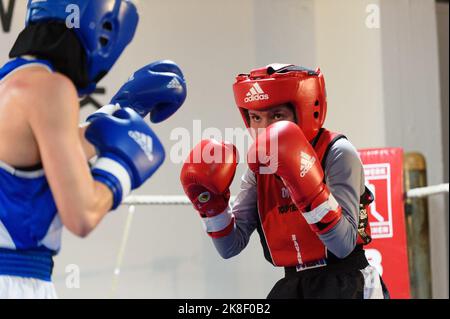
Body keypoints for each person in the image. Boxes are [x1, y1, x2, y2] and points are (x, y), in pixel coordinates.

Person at [0, 0, 187, 298]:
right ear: (104, 28)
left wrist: (120, 112)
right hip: (16, 281)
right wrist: (123, 166)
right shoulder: (50, 88)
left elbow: (46, 153)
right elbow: (83, 214)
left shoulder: (13, 82)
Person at [180, 63, 389, 299]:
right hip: (293, 284)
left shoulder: (337, 152)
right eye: (255, 117)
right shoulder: (259, 167)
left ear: (309, 110)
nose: (265, 127)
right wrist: (212, 206)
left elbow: (343, 245)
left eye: (277, 115)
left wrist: (309, 190)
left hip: (347, 281)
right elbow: (230, 246)